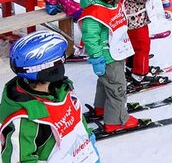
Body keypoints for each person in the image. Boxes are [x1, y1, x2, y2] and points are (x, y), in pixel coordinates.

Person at [0, 31, 100, 163]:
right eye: (61, 60)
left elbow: (75, 116)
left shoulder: (62, 89)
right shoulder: (25, 119)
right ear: (50, 70)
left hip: (83, 153)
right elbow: (19, 160)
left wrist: (88, 136)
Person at [79, 0, 139, 133]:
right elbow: (90, 37)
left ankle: (101, 108)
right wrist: (96, 58)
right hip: (107, 57)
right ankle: (116, 120)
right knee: (117, 88)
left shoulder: (111, 5)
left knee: (105, 82)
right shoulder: (95, 11)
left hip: (115, 53)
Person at [118, 0, 167, 92]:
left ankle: (131, 67)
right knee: (142, 47)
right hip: (136, 23)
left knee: (133, 47)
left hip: (130, 22)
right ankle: (140, 74)